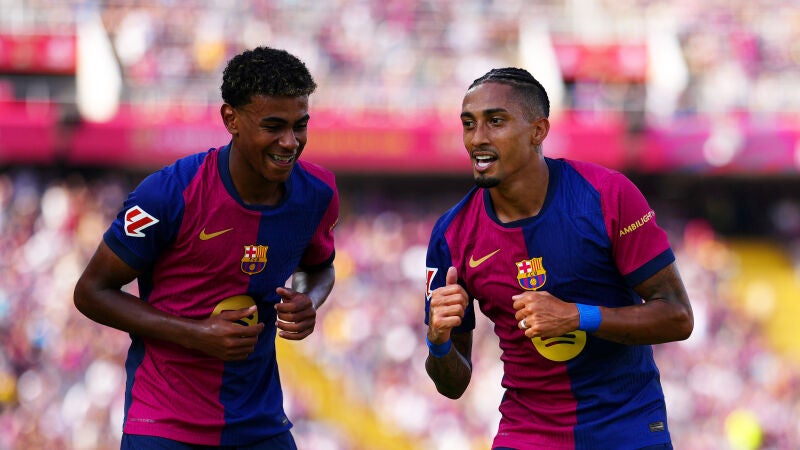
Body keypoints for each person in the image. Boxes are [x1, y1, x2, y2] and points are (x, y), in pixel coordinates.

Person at [73, 46, 339, 450]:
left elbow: (320, 267)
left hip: (261, 423)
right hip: (164, 424)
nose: (290, 142)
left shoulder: (318, 193)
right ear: (230, 119)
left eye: (300, 125)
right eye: (273, 126)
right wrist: (196, 334)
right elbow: (91, 292)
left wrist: (309, 299)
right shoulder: (167, 194)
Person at [423, 67, 694, 450]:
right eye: (469, 124)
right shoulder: (451, 235)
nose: (477, 138)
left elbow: (678, 317)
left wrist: (578, 316)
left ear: (538, 131)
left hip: (627, 430)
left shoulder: (607, 196)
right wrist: (437, 342)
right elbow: (452, 385)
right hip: (527, 435)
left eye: (495, 121)